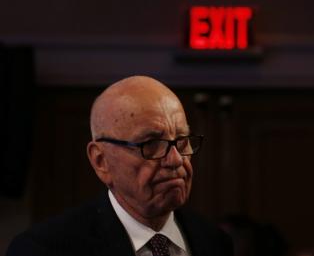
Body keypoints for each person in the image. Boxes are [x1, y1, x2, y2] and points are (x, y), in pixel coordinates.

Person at [6, 76, 233, 256]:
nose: (175, 160)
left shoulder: (213, 242)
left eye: (182, 141)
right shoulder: (43, 249)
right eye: (151, 144)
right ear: (101, 161)